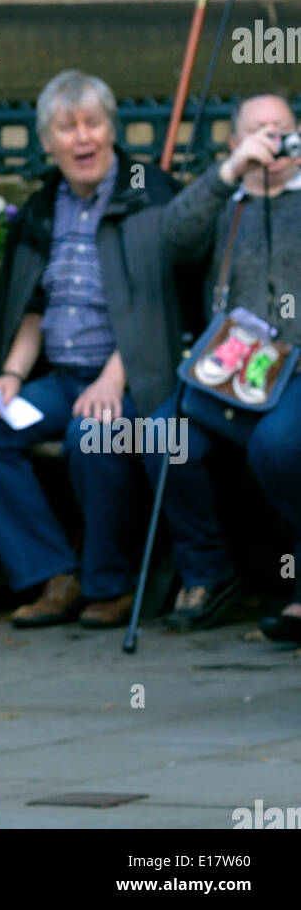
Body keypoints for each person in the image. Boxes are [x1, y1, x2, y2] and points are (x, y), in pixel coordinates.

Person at [0, 70, 185, 629]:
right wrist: (12, 376)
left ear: (112, 130)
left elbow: (155, 302)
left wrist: (114, 380)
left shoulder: (147, 194)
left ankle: (110, 584)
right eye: (67, 127)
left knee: (95, 432)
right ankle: (54, 572)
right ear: (48, 142)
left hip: (135, 376)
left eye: (93, 123)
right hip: (63, 378)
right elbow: (34, 306)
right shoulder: (43, 207)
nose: (82, 138)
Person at [142, 93, 301, 639]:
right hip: (226, 374)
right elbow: (172, 240)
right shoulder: (224, 201)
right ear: (234, 142)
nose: (272, 141)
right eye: (258, 131)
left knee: (279, 445)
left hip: (296, 376)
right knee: (163, 433)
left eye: (282, 130)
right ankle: (208, 573)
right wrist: (231, 173)